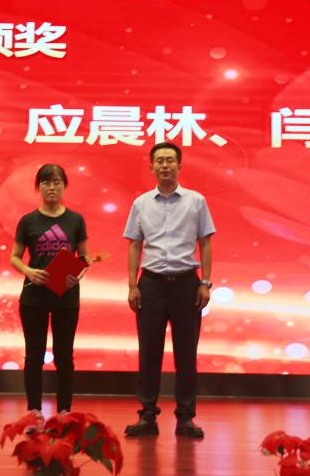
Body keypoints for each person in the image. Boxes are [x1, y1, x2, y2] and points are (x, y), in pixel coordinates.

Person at [123, 142, 214, 439]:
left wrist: (206, 282)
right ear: (151, 166)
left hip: (187, 284)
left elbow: (205, 242)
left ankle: (185, 417)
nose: (165, 165)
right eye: (160, 160)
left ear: (179, 166)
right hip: (151, 285)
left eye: (170, 160)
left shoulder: (196, 201)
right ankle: (147, 415)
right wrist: (132, 285)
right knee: (149, 352)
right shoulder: (141, 203)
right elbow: (135, 245)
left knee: (186, 353)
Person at [10, 164, 89, 421]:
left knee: (64, 356)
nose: (51, 187)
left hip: (66, 297)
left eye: (56, 182)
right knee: (34, 355)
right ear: (38, 187)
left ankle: (64, 411)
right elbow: (15, 257)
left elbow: (85, 258)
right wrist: (29, 271)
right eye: (46, 182)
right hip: (34, 297)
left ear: (64, 186)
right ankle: (34, 411)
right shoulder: (28, 221)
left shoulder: (75, 220)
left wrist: (77, 276)